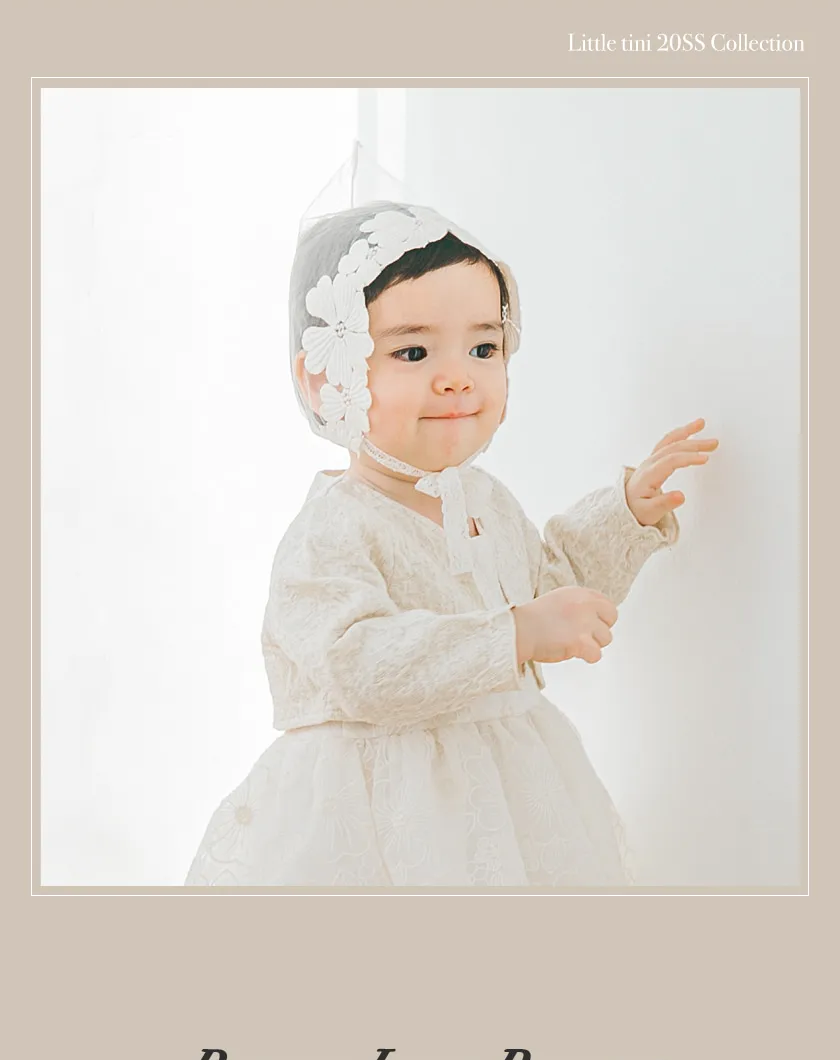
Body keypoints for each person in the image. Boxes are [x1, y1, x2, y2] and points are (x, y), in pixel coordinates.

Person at [185, 150, 717, 890]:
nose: (458, 376)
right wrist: (514, 635)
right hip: (383, 810)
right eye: (412, 350)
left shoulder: (481, 500)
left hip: (511, 792)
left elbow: (545, 588)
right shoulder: (333, 531)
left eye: (483, 346)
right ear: (326, 376)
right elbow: (359, 665)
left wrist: (626, 513)